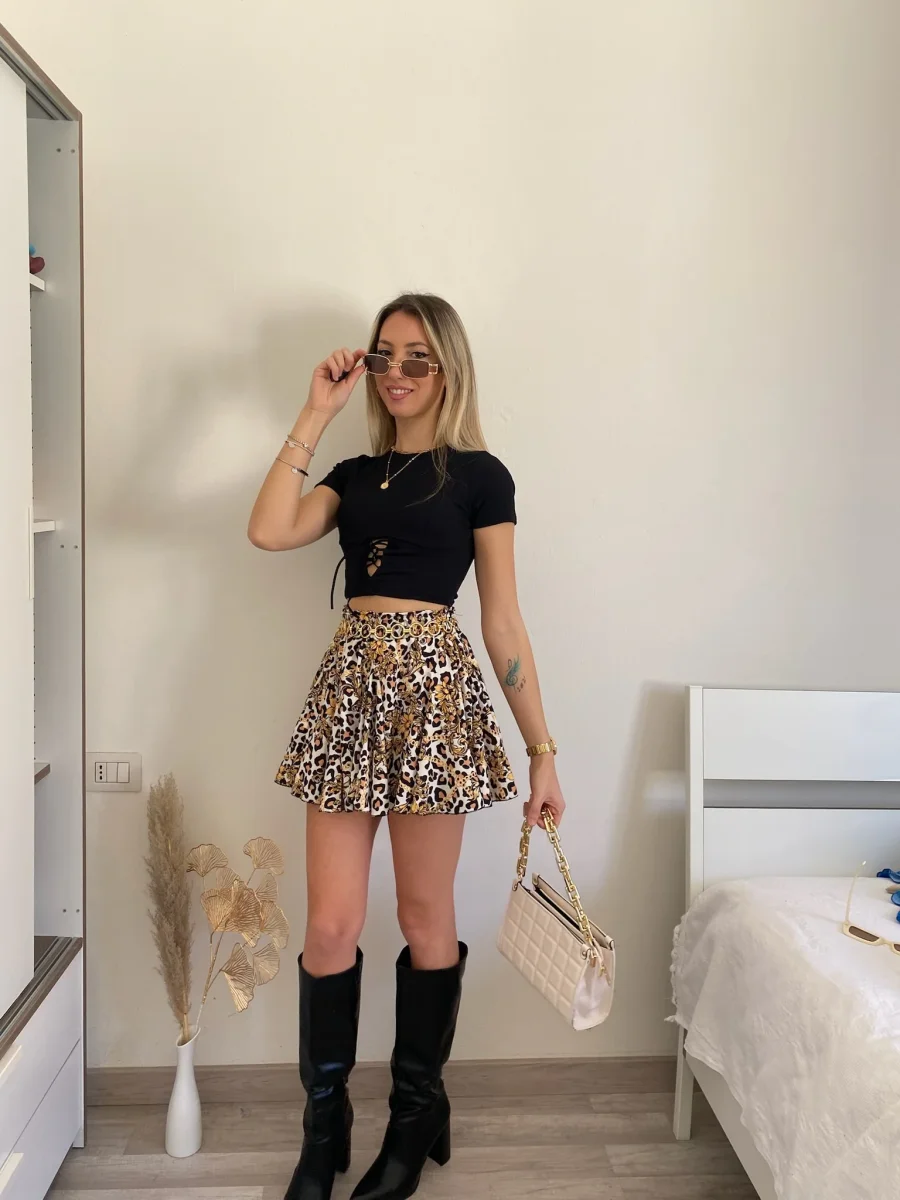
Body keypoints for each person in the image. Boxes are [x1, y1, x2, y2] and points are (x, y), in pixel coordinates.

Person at [248, 293, 565, 1200]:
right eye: (384, 354)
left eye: (418, 356)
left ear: (448, 368)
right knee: (330, 926)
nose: (397, 371)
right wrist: (315, 410)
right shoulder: (353, 472)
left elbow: (502, 621)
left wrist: (542, 749)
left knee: (426, 918)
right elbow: (269, 529)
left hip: (434, 699)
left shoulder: (480, 477)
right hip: (349, 695)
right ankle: (325, 1129)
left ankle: (416, 1113)